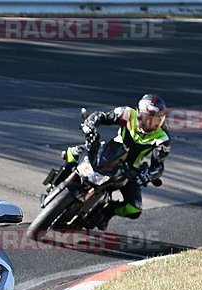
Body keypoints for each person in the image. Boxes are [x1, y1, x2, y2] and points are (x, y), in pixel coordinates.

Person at [73, 94, 170, 230]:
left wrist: (147, 175)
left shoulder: (162, 137)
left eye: (156, 121)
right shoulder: (127, 113)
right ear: (140, 114)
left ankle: (106, 212)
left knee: (134, 209)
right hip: (109, 153)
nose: (151, 124)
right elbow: (101, 116)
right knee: (73, 153)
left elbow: (158, 166)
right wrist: (90, 124)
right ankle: (59, 179)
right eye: (148, 119)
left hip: (128, 171)